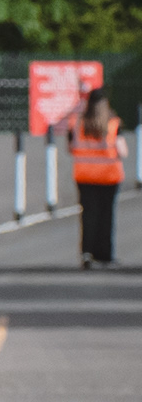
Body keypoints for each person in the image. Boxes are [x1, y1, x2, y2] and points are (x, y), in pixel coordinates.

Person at [66, 88, 127, 268]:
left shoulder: (78, 123)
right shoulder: (113, 124)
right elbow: (122, 150)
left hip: (84, 176)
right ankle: (105, 255)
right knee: (106, 216)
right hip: (109, 176)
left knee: (88, 215)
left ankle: (87, 253)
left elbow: (70, 148)